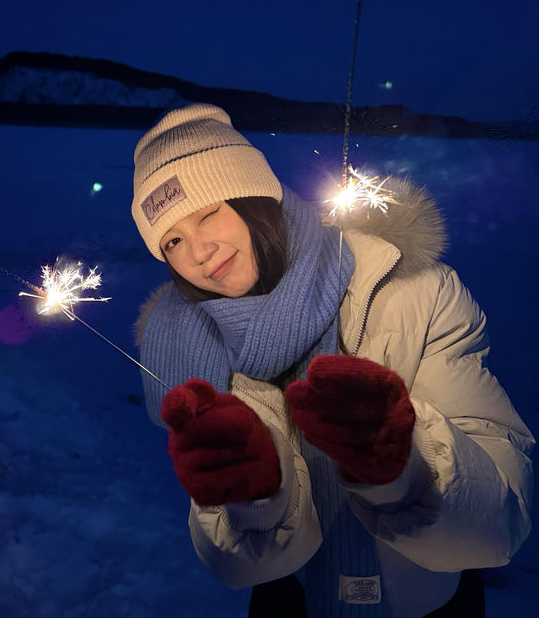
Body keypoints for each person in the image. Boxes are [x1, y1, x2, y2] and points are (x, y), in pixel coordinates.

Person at [131, 103, 534, 618]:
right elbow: (238, 568)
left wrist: (401, 462)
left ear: (253, 197)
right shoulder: (189, 349)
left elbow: (501, 523)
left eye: (209, 212)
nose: (200, 250)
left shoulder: (413, 294)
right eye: (173, 241)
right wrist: (251, 496)